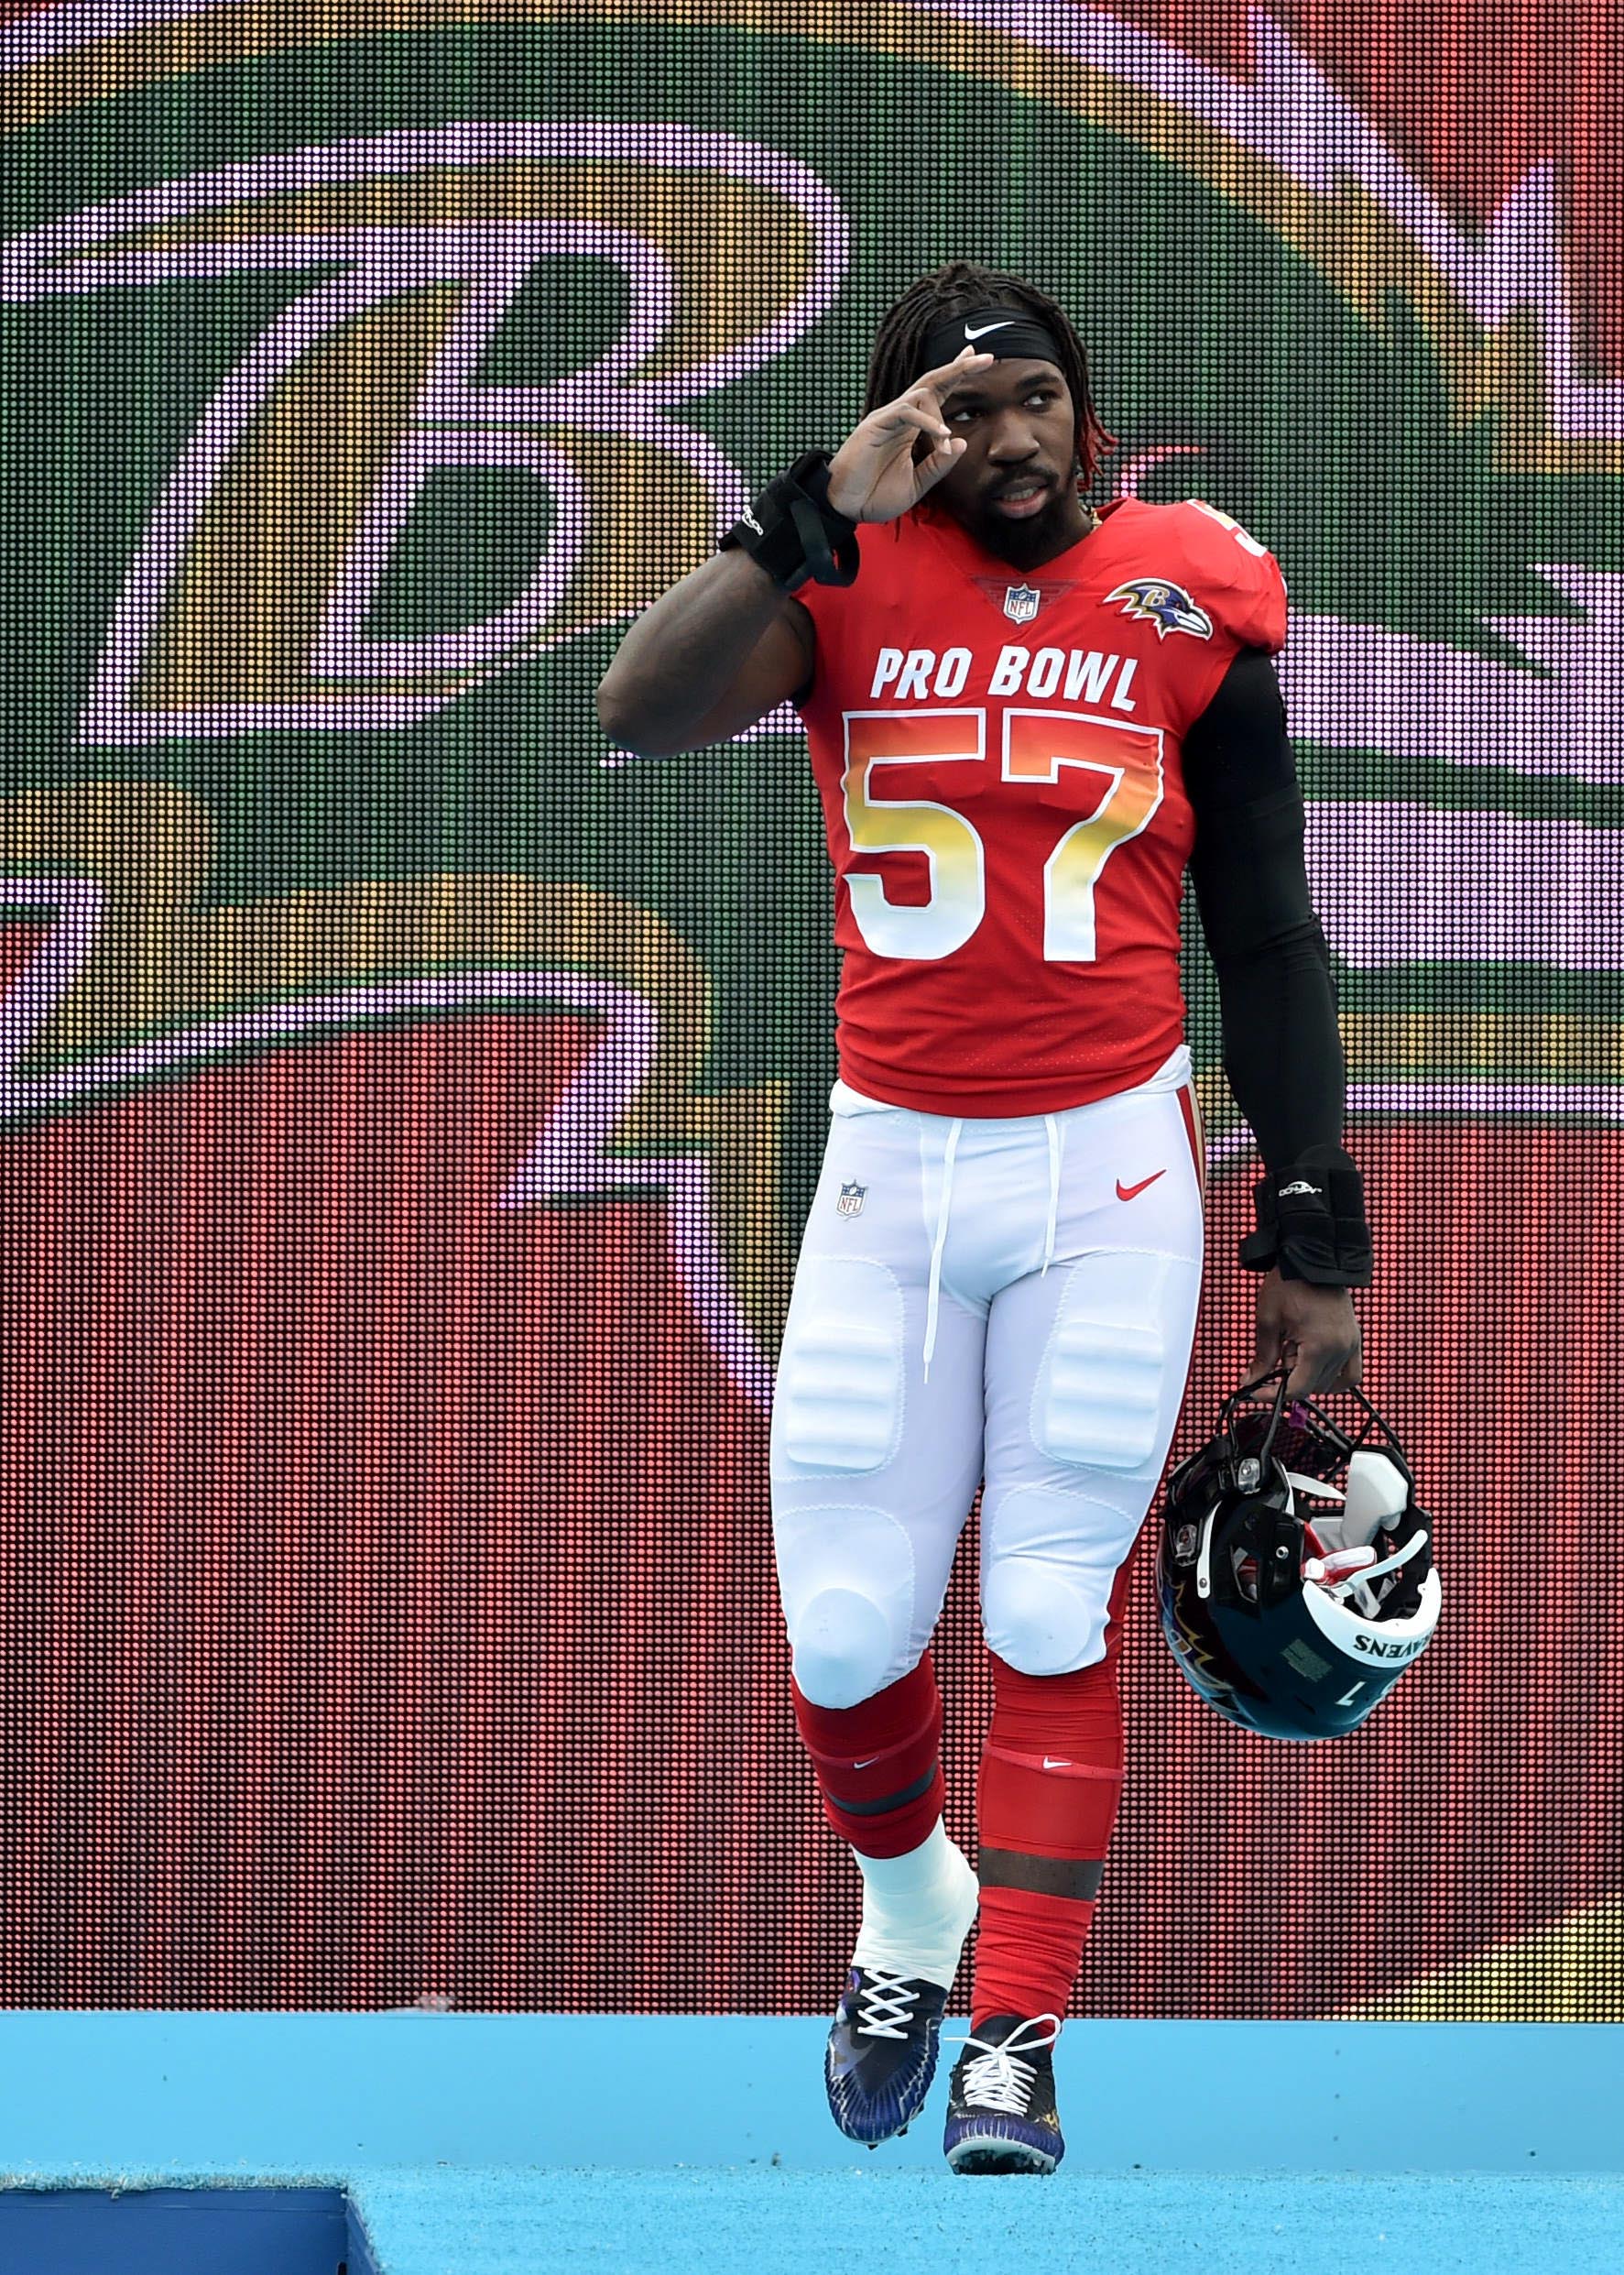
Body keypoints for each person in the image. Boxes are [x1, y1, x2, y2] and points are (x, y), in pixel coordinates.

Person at [596, 260, 1372, 2175]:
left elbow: (1263, 929)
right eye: (952, 409)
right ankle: (908, 1910)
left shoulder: (1187, 585)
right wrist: (805, 512)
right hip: (893, 1166)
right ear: (901, 432)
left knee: (1043, 1600)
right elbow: (637, 710)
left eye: (1024, 394)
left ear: (1077, 404)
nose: (998, 436)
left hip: (1105, 1169)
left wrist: (1312, 1213)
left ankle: (1015, 2030)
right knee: (850, 1635)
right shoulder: (838, 583)